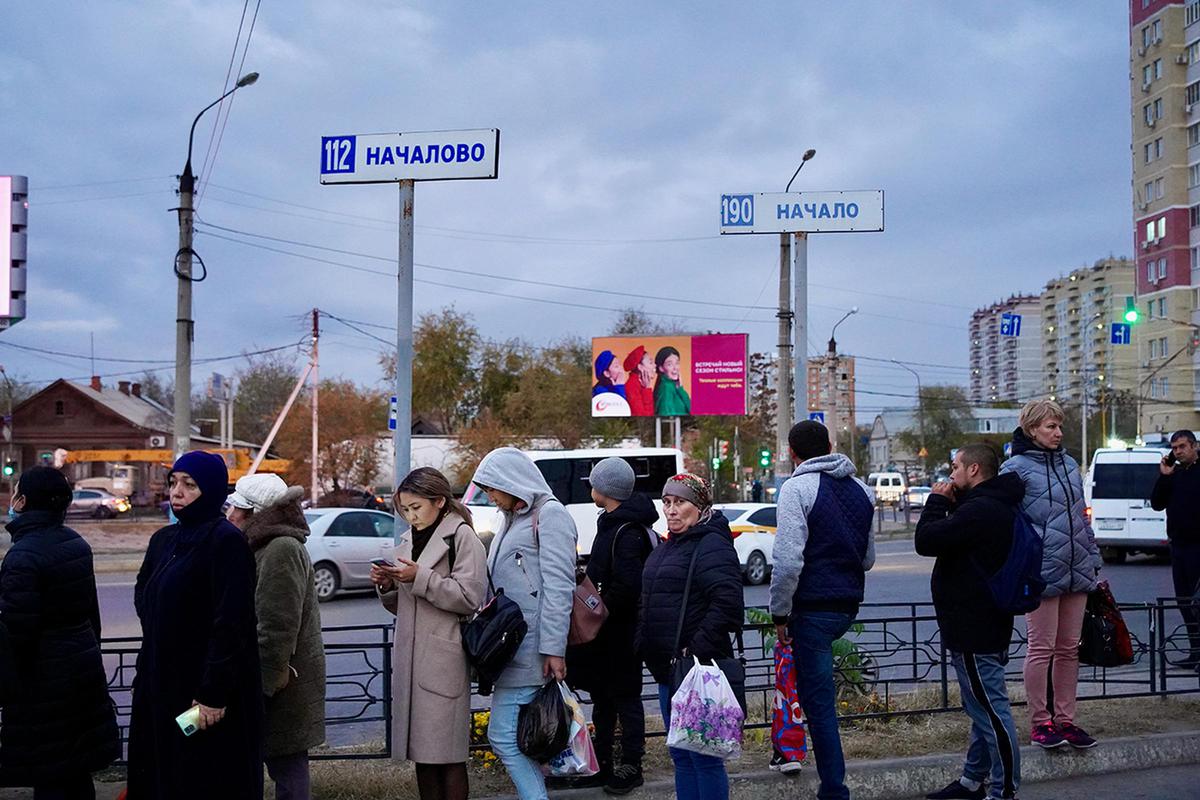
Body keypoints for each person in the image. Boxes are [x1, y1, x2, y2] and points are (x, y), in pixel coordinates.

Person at [127, 451, 264, 799]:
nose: (177, 492)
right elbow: (145, 595)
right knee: (161, 774)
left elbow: (232, 623)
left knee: (201, 776)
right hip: (161, 685)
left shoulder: (225, 542)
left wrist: (212, 694)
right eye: (173, 482)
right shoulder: (164, 540)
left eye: (189, 484)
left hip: (201, 698)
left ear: (213, 490)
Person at [769, 420, 875, 800]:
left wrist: (779, 613)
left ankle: (835, 790)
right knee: (821, 701)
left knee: (820, 706)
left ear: (792, 453)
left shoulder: (797, 488)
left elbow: (787, 562)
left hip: (811, 610)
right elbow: (867, 559)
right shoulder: (862, 490)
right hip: (847, 606)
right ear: (830, 445)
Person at [0, 467, 120, 799]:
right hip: (80, 673)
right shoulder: (75, 543)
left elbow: (17, 635)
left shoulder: (22, 556)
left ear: (22, 501)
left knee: (50, 776)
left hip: (43, 686)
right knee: (74, 773)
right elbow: (90, 614)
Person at [369, 467, 487, 800]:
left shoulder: (462, 536)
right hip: (412, 657)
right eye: (405, 510)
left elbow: (469, 597)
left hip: (443, 658)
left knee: (447, 756)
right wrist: (388, 586)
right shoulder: (409, 540)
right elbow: (405, 606)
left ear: (439, 501)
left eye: (416, 507)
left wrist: (418, 578)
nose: (411, 516)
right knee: (422, 756)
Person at [916, 445, 1024, 800]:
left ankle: (1004, 789)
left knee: (992, 712)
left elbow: (927, 540)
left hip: (975, 624)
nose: (950, 474)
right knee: (982, 708)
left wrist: (935, 502)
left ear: (974, 469)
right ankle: (971, 782)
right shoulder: (991, 503)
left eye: (955, 467)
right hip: (981, 620)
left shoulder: (981, 510)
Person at [471, 448, 577, 800]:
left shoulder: (550, 515)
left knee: (502, 735)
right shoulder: (511, 518)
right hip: (511, 646)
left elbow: (560, 586)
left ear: (512, 482)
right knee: (516, 736)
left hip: (532, 648)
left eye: (492, 487)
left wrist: (552, 648)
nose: (490, 496)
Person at [1000, 399, 1101, 750]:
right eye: (1050, 427)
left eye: (1059, 426)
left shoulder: (1070, 464)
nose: (1058, 432)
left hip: (1077, 568)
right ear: (1031, 430)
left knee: (1069, 648)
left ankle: (1066, 721)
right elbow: (1006, 523)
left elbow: (1081, 516)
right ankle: (1040, 724)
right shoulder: (1015, 468)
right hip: (1041, 571)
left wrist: (1093, 557)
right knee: (1041, 648)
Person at [637, 473, 743, 800]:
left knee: (704, 758)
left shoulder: (712, 543)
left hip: (698, 672)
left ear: (698, 506)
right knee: (681, 756)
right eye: (667, 502)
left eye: (679, 502)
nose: (671, 510)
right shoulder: (669, 545)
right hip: (669, 671)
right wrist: (643, 641)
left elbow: (727, 604)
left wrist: (693, 649)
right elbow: (649, 598)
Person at [226, 474, 326, 800]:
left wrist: (264, 684)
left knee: (287, 765)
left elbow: (277, 623)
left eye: (237, 509)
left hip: (280, 681)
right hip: (274, 677)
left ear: (255, 513)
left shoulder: (280, 547)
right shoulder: (267, 544)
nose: (230, 516)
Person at [566, 458, 659, 795]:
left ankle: (631, 766)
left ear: (605, 489)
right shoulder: (613, 522)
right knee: (605, 699)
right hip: (609, 632)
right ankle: (603, 764)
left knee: (626, 698)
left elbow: (628, 586)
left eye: (594, 483)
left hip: (620, 633)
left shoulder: (625, 530)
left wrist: (597, 607)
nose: (590, 487)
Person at [1150, 429, 1200, 669]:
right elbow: (1157, 504)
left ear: (1194, 446)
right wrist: (1165, 476)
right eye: (1175, 448)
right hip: (1179, 546)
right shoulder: (1175, 474)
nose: (1178, 452)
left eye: (1182, 447)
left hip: (1198, 547)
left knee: (1197, 602)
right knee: (1183, 601)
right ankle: (1195, 651)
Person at [652, 346, 690, 416]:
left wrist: (680, 389)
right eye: (669, 364)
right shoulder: (666, 387)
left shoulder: (675, 387)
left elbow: (691, 410)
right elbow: (666, 414)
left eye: (677, 363)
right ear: (661, 368)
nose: (675, 368)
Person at [623, 346, 655, 417]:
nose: (654, 366)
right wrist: (647, 390)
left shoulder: (640, 384)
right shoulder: (631, 387)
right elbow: (643, 417)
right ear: (640, 367)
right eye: (651, 363)